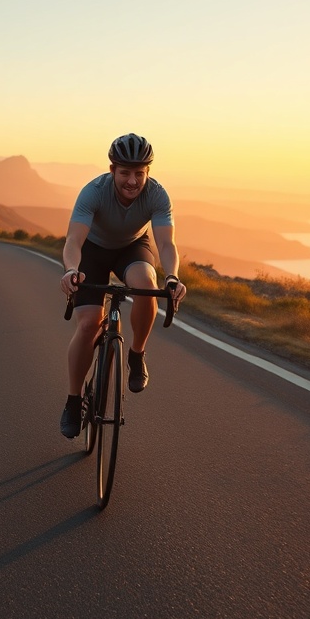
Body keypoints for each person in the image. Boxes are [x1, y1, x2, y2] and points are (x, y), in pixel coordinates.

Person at [58, 133, 188, 438]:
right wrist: (72, 270)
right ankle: (74, 401)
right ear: (112, 169)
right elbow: (74, 240)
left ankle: (136, 353)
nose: (132, 181)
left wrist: (172, 276)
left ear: (147, 172)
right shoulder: (93, 192)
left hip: (132, 247)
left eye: (139, 174)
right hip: (93, 250)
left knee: (147, 283)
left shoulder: (157, 195)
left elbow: (166, 244)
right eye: (125, 173)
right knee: (90, 323)